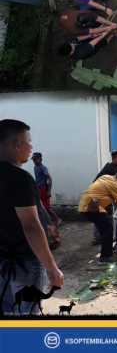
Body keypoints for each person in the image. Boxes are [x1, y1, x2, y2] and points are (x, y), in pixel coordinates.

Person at [0, 120, 64, 315]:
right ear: (16, 144)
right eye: (29, 141)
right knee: (27, 315)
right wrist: (52, 268)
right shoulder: (19, 178)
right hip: (23, 263)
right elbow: (30, 226)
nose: (31, 147)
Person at [31, 152, 61, 234]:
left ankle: (57, 219)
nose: (34, 161)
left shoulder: (43, 168)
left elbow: (49, 179)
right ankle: (47, 221)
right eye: (33, 159)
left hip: (44, 189)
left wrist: (48, 191)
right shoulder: (35, 167)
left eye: (35, 159)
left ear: (40, 159)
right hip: (38, 189)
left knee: (47, 207)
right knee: (41, 206)